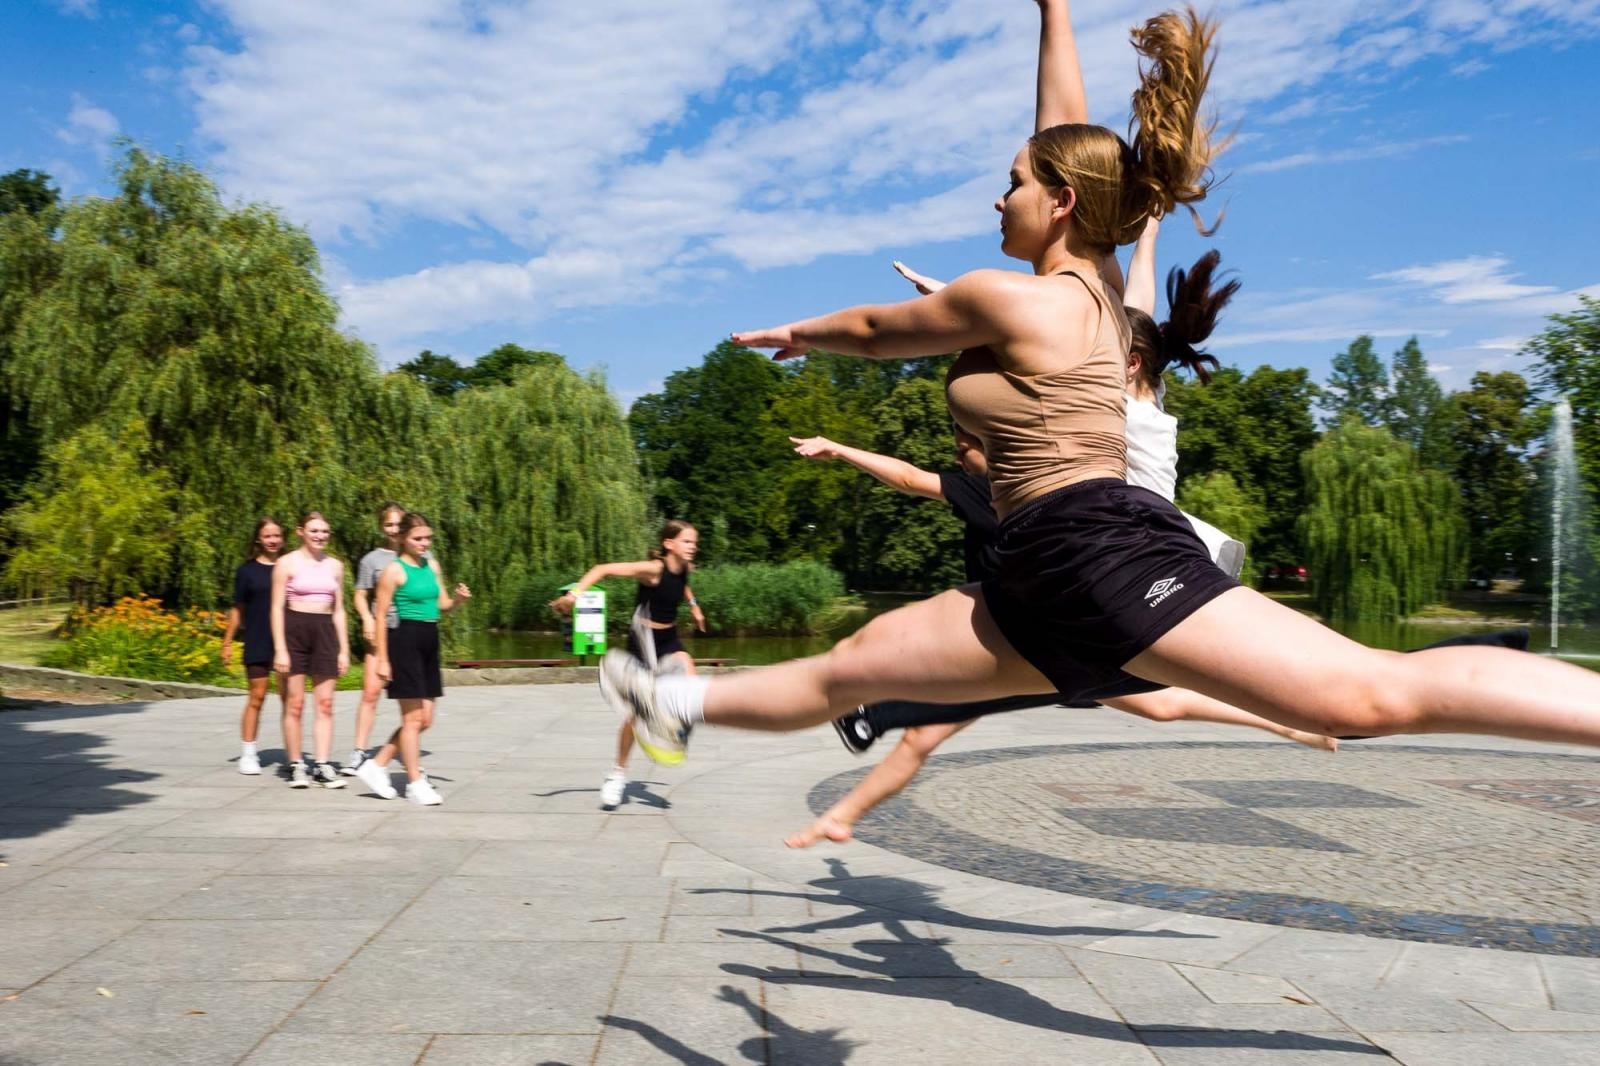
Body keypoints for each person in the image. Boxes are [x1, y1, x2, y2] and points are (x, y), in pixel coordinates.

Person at [601, 4, 1600, 777]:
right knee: (849, 668)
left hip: (1097, 550)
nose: (997, 197)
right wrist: (1053, 11)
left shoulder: (1014, 298)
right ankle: (672, 704)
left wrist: (796, 334)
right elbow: (1061, 129)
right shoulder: (1088, 280)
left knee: (1365, 693)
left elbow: (871, 331)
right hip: (1036, 573)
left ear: (1059, 202)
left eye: (1011, 184)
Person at [552, 520, 707, 806]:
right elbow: (603, 569)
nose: (693, 547)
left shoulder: (683, 566)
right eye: (687, 542)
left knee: (688, 666)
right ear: (668, 544)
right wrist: (574, 596)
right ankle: (617, 775)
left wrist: (695, 605)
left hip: (669, 638)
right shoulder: (652, 570)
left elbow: (684, 586)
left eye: (694, 542)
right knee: (634, 716)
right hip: (644, 641)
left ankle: (678, 726)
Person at [352, 512, 471, 805]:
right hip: (404, 640)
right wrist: (382, 658)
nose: (424, 543)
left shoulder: (432, 564)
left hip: (430, 640)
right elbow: (380, 615)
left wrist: (457, 601)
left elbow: (440, 603)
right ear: (403, 538)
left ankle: (377, 764)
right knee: (412, 718)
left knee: (425, 719)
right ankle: (416, 783)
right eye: (418, 538)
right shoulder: (394, 570)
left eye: (428, 538)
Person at [270, 511, 351, 789]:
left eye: (325, 531)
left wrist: (344, 649)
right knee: (295, 703)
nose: (320, 536)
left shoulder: (335, 566)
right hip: (295, 630)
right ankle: (296, 765)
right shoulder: (286, 563)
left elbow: (339, 610)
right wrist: (280, 648)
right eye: (314, 531)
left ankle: (323, 765)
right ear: (300, 531)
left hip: (324, 631)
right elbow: (276, 608)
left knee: (325, 704)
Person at [220, 517, 286, 775]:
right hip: (258, 638)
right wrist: (227, 641)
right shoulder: (246, 571)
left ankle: (293, 756)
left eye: (277, 535)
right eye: (268, 536)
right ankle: (248, 754)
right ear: (258, 539)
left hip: (286, 641)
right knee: (256, 696)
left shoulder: (290, 566)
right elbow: (238, 609)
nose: (273, 540)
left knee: (289, 699)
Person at [345, 502, 405, 777]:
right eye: (389, 525)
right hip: (381, 631)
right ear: (382, 527)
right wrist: (367, 619)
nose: (394, 530)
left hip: (408, 631)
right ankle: (359, 751)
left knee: (411, 697)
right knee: (371, 692)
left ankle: (408, 751)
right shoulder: (372, 560)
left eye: (398, 524)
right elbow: (360, 595)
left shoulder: (418, 555)